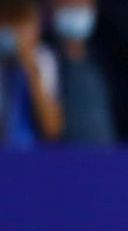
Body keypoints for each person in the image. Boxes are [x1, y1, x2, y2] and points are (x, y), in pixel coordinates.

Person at [49, 0, 116, 145]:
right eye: (68, 4)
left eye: (80, 4)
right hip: (55, 160)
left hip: (108, 158)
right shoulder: (43, 58)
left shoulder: (112, 58)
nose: (74, 9)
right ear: (52, 5)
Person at [0, 0, 63, 148]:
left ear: (36, 27)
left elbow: (52, 128)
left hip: (35, 156)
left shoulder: (44, 60)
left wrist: (33, 72)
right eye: (8, 23)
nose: (15, 34)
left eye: (21, 24)